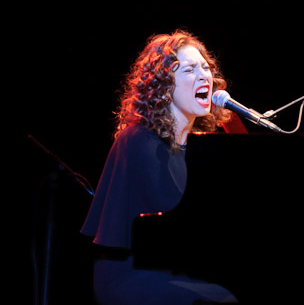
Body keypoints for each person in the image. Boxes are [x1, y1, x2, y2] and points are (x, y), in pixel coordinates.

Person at [81, 30, 237, 304]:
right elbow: (164, 230)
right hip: (131, 274)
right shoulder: (139, 140)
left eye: (205, 68)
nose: (204, 76)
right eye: (189, 69)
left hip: (177, 266)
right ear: (164, 86)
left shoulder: (201, 147)